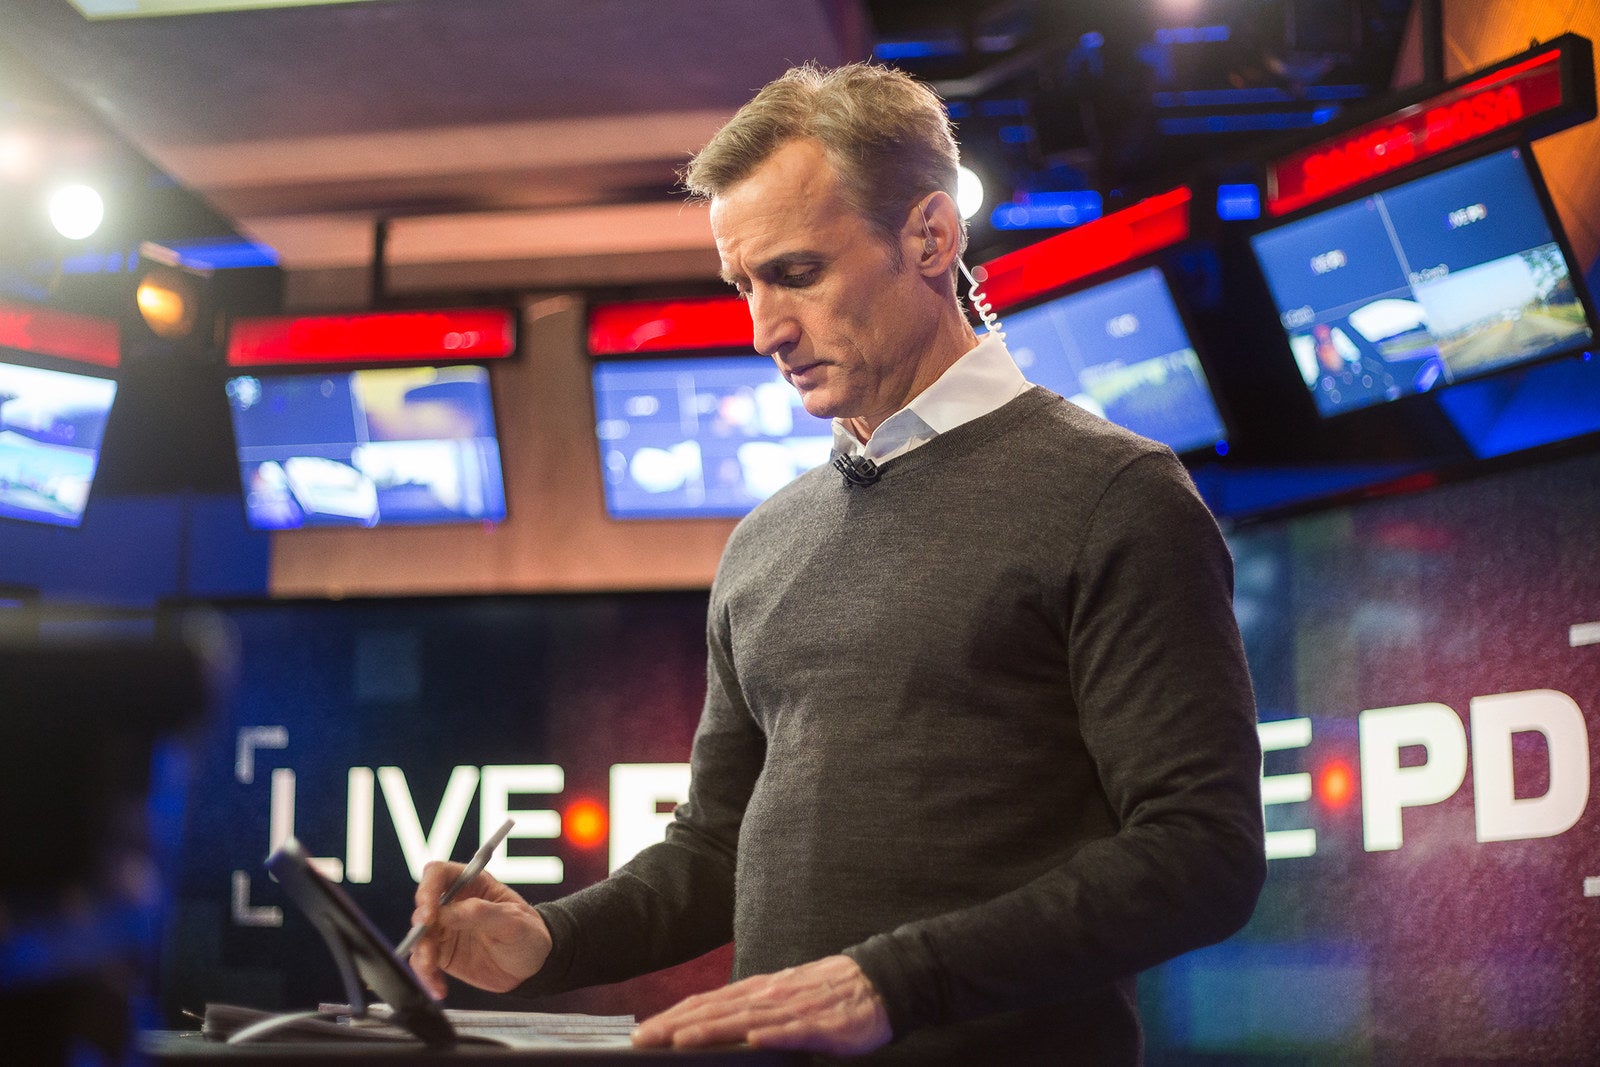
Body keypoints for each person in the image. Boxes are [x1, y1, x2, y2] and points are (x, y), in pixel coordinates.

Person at [411, 61, 1265, 1064]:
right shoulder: (765, 542)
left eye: (798, 273)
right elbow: (717, 846)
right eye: (744, 285)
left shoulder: (1113, 492)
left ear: (931, 238)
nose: (764, 330)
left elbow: (1200, 851)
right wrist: (553, 940)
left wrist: (892, 980)